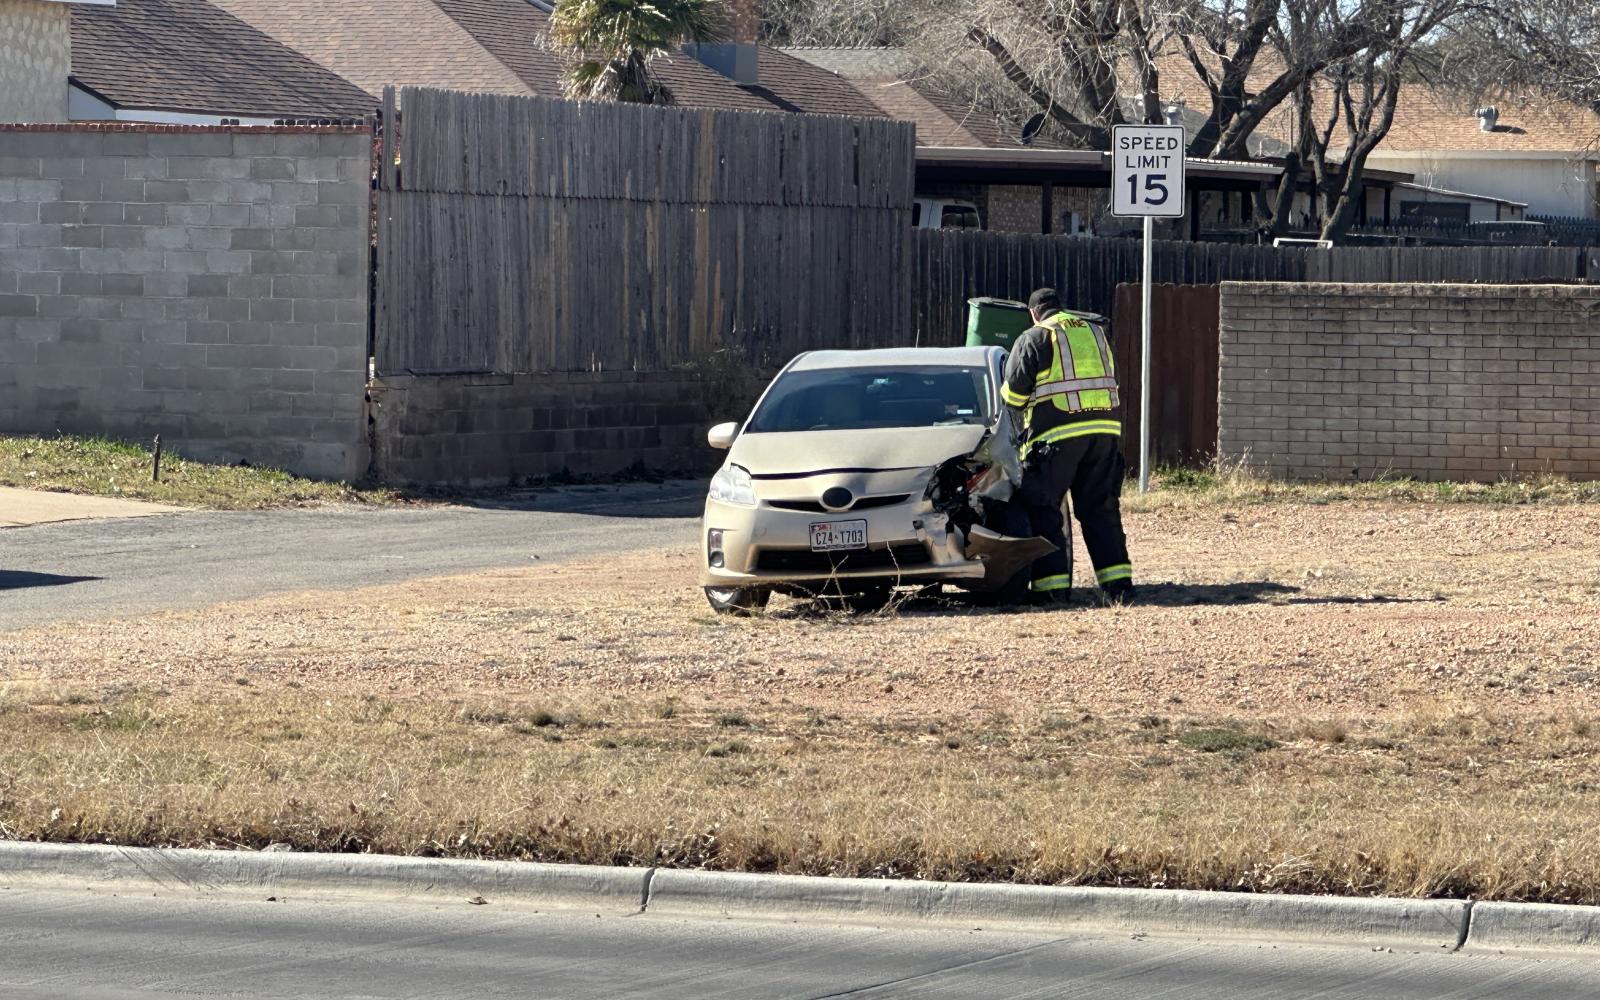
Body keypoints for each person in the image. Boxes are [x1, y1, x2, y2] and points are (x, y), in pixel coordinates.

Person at [1001, 287, 1134, 605]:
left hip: (1058, 435)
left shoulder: (1035, 337)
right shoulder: (1096, 332)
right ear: (1060, 307)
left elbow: (1013, 399)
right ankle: (1118, 587)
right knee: (1100, 509)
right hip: (1105, 432)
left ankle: (1052, 589)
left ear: (1034, 313)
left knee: (1044, 508)